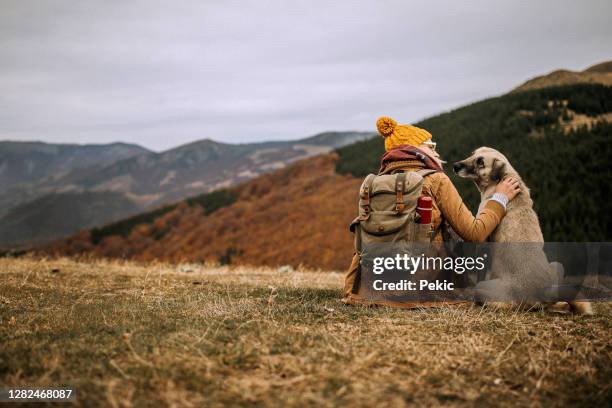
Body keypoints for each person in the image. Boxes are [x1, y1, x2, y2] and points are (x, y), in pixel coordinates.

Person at [343, 116, 521, 299]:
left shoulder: (374, 183)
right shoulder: (435, 179)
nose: (436, 152)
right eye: (430, 146)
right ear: (414, 148)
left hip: (368, 287)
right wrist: (500, 198)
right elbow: (476, 233)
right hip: (418, 288)